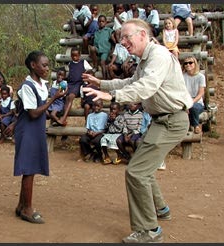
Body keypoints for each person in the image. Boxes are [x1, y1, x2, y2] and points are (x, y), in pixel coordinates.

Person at [81, 19, 193, 243]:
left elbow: (146, 87)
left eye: (126, 37)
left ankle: (149, 230)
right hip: (163, 121)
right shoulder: (145, 59)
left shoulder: (159, 55)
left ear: (142, 35)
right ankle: (160, 209)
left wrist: (112, 97)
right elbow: (130, 81)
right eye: (121, 37)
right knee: (144, 168)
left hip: (171, 121)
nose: (122, 42)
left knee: (136, 172)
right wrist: (101, 84)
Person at [14, 50, 66, 224]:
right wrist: (53, 100)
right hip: (28, 130)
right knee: (29, 169)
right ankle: (27, 209)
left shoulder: (42, 84)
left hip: (35, 131)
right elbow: (33, 113)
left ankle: (22, 206)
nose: (46, 68)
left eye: (47, 65)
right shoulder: (27, 87)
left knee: (31, 168)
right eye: (43, 65)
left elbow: (42, 111)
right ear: (33, 65)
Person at [58, 47, 92, 126]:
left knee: (71, 97)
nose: (74, 57)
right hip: (70, 84)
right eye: (72, 56)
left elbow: (90, 70)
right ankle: (64, 121)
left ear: (79, 55)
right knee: (66, 98)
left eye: (76, 56)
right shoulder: (70, 64)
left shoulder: (83, 62)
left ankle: (63, 118)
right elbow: (69, 74)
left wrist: (85, 73)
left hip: (78, 84)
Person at [182, 56, 205, 134]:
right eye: (186, 63)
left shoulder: (201, 77)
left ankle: (195, 126)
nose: (188, 65)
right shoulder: (182, 76)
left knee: (193, 107)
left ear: (195, 64)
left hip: (197, 102)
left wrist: (191, 103)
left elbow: (201, 93)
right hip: (185, 101)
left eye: (190, 63)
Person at [88, 14, 115, 79]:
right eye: (99, 22)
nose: (101, 23)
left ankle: (104, 79)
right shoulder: (96, 32)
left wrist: (112, 50)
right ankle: (95, 66)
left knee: (102, 62)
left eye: (103, 21)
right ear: (97, 23)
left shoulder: (108, 30)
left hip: (105, 50)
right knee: (92, 48)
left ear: (106, 22)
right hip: (98, 49)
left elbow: (114, 41)